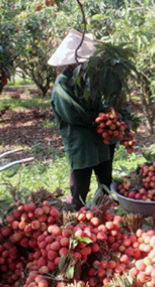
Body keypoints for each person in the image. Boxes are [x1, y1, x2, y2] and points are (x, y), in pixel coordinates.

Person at [48, 29, 114, 210]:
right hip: (81, 142)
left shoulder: (86, 80)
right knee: (81, 185)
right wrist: (98, 119)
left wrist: (107, 112)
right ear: (75, 61)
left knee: (106, 180)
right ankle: (77, 216)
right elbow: (73, 114)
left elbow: (97, 102)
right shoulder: (63, 84)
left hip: (98, 140)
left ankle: (103, 213)